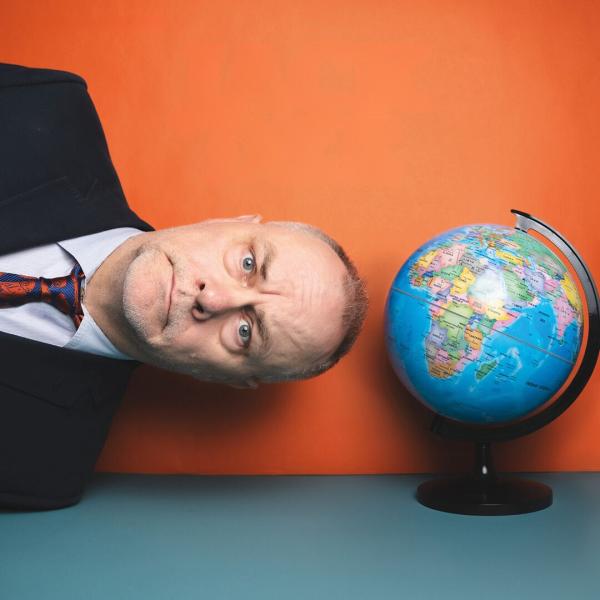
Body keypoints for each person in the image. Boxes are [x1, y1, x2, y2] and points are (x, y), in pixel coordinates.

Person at [0, 63, 368, 510]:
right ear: (229, 221)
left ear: (222, 378)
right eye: (248, 263)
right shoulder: (39, 108)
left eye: (246, 332)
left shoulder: (40, 470)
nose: (213, 298)